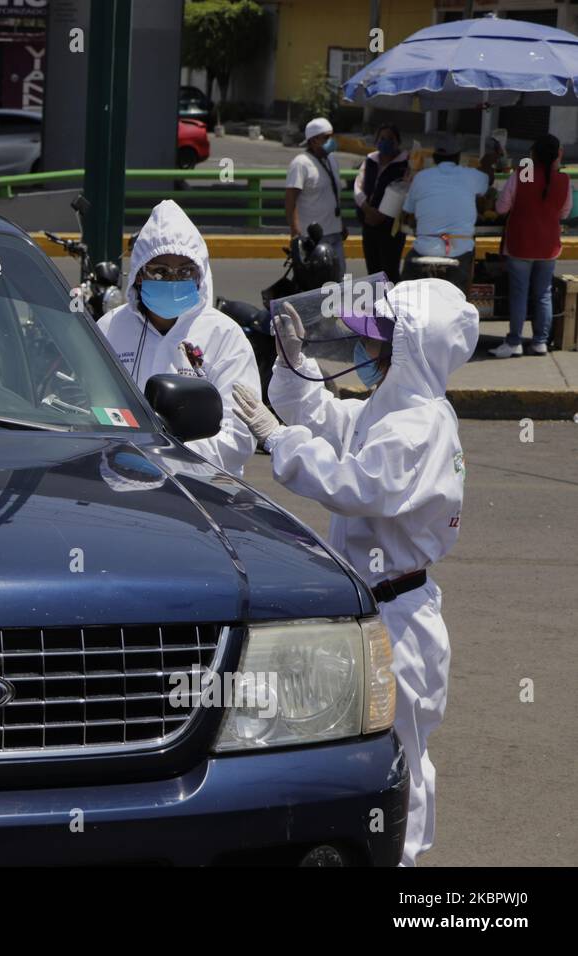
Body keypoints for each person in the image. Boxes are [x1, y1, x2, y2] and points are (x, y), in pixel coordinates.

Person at [231, 278, 478, 867]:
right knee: (370, 753)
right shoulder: (392, 410)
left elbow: (353, 485)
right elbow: (325, 416)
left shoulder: (420, 426)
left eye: (381, 342)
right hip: (379, 608)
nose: (367, 353)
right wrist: (296, 364)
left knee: (403, 757)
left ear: (412, 350)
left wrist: (277, 438)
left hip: (401, 616)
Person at [97, 200, 260, 476]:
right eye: (159, 271)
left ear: (201, 275)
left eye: (185, 271)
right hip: (118, 481)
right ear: (138, 275)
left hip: (202, 491)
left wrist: (164, 458)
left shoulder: (224, 335)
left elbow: (239, 436)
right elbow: (88, 405)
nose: (173, 280)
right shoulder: (110, 328)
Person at [490, 133, 571, 358]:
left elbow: (502, 208)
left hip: (521, 243)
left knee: (520, 294)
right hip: (548, 246)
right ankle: (539, 342)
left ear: (533, 154)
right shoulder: (563, 180)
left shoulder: (525, 172)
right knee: (543, 294)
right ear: (557, 155)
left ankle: (514, 341)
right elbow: (564, 212)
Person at [401, 133, 489, 292]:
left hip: (425, 250)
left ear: (434, 158)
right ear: (458, 157)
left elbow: (407, 212)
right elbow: (487, 181)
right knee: (461, 293)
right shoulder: (470, 175)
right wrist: (490, 160)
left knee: (405, 289)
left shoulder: (421, 177)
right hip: (459, 251)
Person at [285, 116, 346, 279]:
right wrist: (295, 234)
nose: (331, 141)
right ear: (313, 141)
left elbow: (333, 196)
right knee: (316, 284)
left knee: (338, 281)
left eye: (332, 136)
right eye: (326, 137)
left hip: (335, 233)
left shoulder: (331, 160)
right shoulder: (301, 163)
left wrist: (342, 224)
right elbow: (291, 200)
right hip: (313, 238)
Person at [354, 124, 410, 282]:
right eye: (382, 138)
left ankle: (392, 305)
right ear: (376, 141)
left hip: (391, 229)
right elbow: (358, 186)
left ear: (398, 142)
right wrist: (367, 209)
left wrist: (382, 216)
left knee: (390, 272)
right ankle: (377, 306)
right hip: (369, 224)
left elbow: (405, 191)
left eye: (390, 139)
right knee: (373, 273)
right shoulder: (370, 160)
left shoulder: (406, 164)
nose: (385, 142)